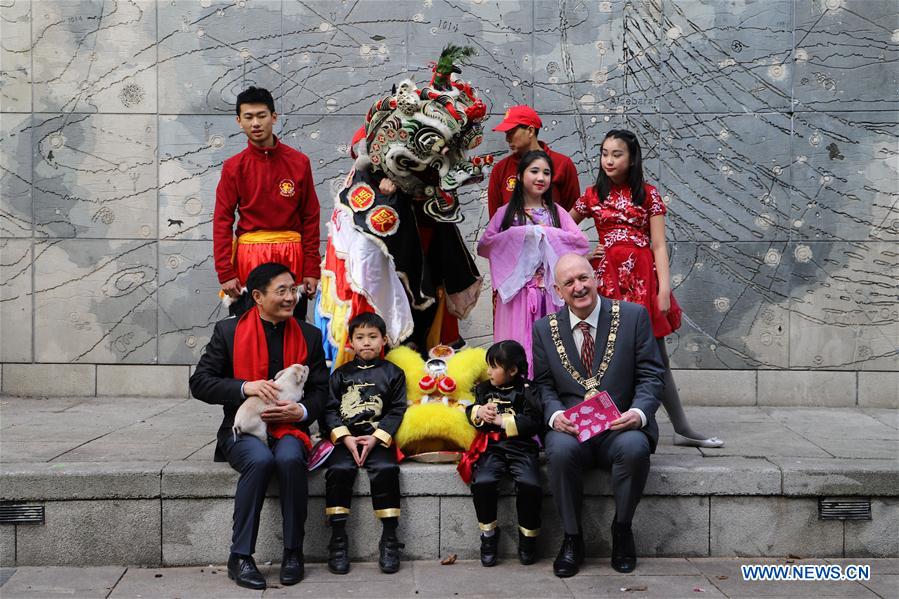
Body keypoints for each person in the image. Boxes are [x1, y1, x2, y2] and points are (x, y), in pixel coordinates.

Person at [569, 129, 723, 448]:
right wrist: (584, 254)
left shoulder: (648, 194)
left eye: (617, 154)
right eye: (604, 153)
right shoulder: (591, 195)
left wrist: (664, 289)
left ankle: (681, 427)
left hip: (642, 281)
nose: (608, 160)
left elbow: (659, 245)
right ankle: (601, 423)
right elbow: (562, 232)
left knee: (656, 357)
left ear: (632, 158)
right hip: (606, 281)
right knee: (600, 356)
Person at [190, 262, 329, 590]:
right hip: (244, 428)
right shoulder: (228, 331)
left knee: (290, 458)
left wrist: (302, 410)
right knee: (260, 460)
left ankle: (293, 552)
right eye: (281, 291)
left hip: (289, 428)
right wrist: (244, 387)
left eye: (292, 289)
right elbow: (200, 383)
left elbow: (323, 391)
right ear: (257, 296)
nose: (291, 297)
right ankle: (240, 557)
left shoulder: (309, 335)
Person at [532, 253, 665, 577]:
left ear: (596, 277)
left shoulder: (633, 316)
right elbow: (543, 386)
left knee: (635, 448)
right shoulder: (544, 329)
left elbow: (651, 375)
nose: (579, 287)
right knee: (559, 452)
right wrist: (554, 416)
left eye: (583, 278)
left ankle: (622, 531)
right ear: (558, 290)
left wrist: (638, 413)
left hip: (621, 427)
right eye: (569, 283)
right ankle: (572, 538)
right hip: (572, 431)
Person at [477, 150, 589, 376]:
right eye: (534, 171)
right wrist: (522, 234)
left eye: (546, 173)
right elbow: (486, 245)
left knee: (552, 347)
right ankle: (516, 394)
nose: (541, 178)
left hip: (549, 294)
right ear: (519, 176)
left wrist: (547, 234)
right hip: (517, 296)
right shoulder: (505, 213)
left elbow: (579, 242)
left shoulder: (556, 213)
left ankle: (551, 397)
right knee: (514, 344)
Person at [214, 86, 321, 318]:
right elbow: (222, 220)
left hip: (291, 255)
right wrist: (225, 271)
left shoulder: (299, 162)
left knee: (292, 329)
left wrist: (312, 269)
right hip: (249, 257)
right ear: (238, 121)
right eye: (248, 117)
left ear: (273, 117)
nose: (256, 123)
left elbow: (311, 217)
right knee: (246, 329)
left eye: (261, 116)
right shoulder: (233, 168)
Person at [321, 312, 408, 575]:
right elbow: (330, 409)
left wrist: (376, 438)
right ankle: (338, 538)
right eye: (360, 337)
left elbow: (397, 409)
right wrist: (345, 438)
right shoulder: (340, 374)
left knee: (386, 470)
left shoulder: (394, 373)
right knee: (339, 471)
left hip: (378, 439)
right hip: (345, 440)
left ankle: (390, 538)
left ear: (384, 340)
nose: (366, 342)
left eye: (373, 337)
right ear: (351, 343)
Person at [457, 340, 544, 567]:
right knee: (483, 481)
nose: (488, 371)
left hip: (521, 448)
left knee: (530, 483)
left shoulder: (528, 390)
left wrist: (501, 420)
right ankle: (488, 536)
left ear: (512, 370)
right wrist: (479, 412)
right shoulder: (483, 389)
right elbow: (470, 410)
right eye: (488, 366)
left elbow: (534, 421)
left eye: (494, 367)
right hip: (492, 447)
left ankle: (528, 539)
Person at [487, 105, 581, 217]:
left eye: (511, 132)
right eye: (506, 133)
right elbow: (495, 219)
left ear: (530, 131)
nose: (507, 139)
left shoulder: (562, 164)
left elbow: (571, 215)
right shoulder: (500, 169)